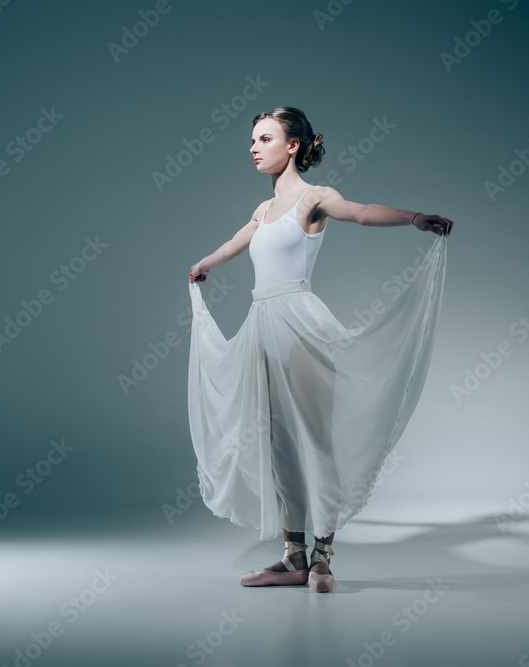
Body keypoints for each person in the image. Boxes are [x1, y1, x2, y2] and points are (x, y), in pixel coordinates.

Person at [187, 106, 453, 593]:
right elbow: (237, 242)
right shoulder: (262, 211)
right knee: (278, 445)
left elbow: (361, 212)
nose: (253, 147)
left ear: (293, 146)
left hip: (299, 325)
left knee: (316, 439)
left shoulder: (315, 198)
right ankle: (293, 557)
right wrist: (205, 263)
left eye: (264, 139)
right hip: (261, 327)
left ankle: (323, 557)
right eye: (252, 140)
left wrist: (414, 218)